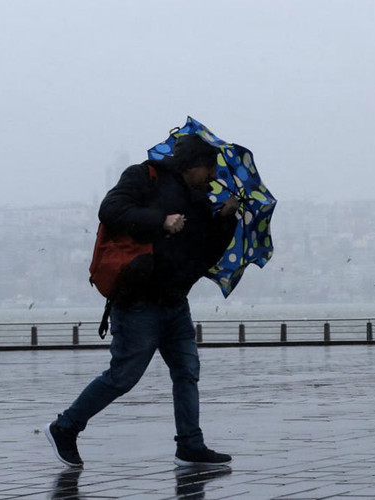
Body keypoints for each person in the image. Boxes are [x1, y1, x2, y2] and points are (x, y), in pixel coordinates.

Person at [45, 134, 238, 468]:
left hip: (175, 302)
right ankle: (66, 427)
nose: (212, 175)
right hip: (138, 300)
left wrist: (224, 219)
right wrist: (161, 221)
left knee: (187, 371)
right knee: (124, 375)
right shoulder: (144, 177)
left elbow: (205, 256)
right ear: (192, 164)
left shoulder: (200, 202)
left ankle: (190, 445)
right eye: (209, 167)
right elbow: (110, 210)